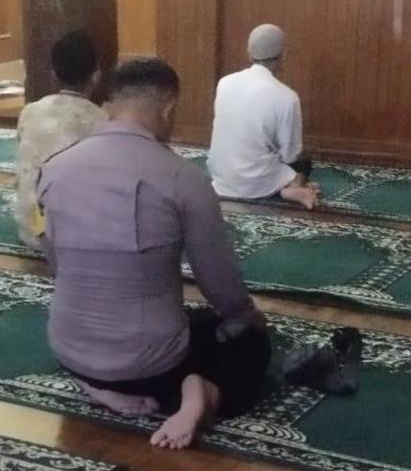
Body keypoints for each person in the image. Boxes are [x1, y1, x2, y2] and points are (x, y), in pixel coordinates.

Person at [38, 58, 271, 450]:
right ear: (168, 110)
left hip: (69, 350)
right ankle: (201, 394)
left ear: (111, 104)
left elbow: (56, 264)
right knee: (250, 344)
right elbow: (218, 281)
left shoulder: (53, 169)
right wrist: (246, 321)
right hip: (151, 366)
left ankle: (96, 387)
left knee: (177, 321)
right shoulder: (183, 178)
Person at [207, 23, 319, 210]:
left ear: (248, 53)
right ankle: (292, 187)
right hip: (256, 184)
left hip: (221, 179)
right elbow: (290, 154)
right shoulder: (287, 97)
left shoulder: (224, 83)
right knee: (304, 163)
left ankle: (287, 187)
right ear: (283, 56)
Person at [14, 30, 105, 250]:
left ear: (53, 74)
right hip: (72, 235)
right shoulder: (101, 120)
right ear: (96, 75)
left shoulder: (30, 111)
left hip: (30, 228)